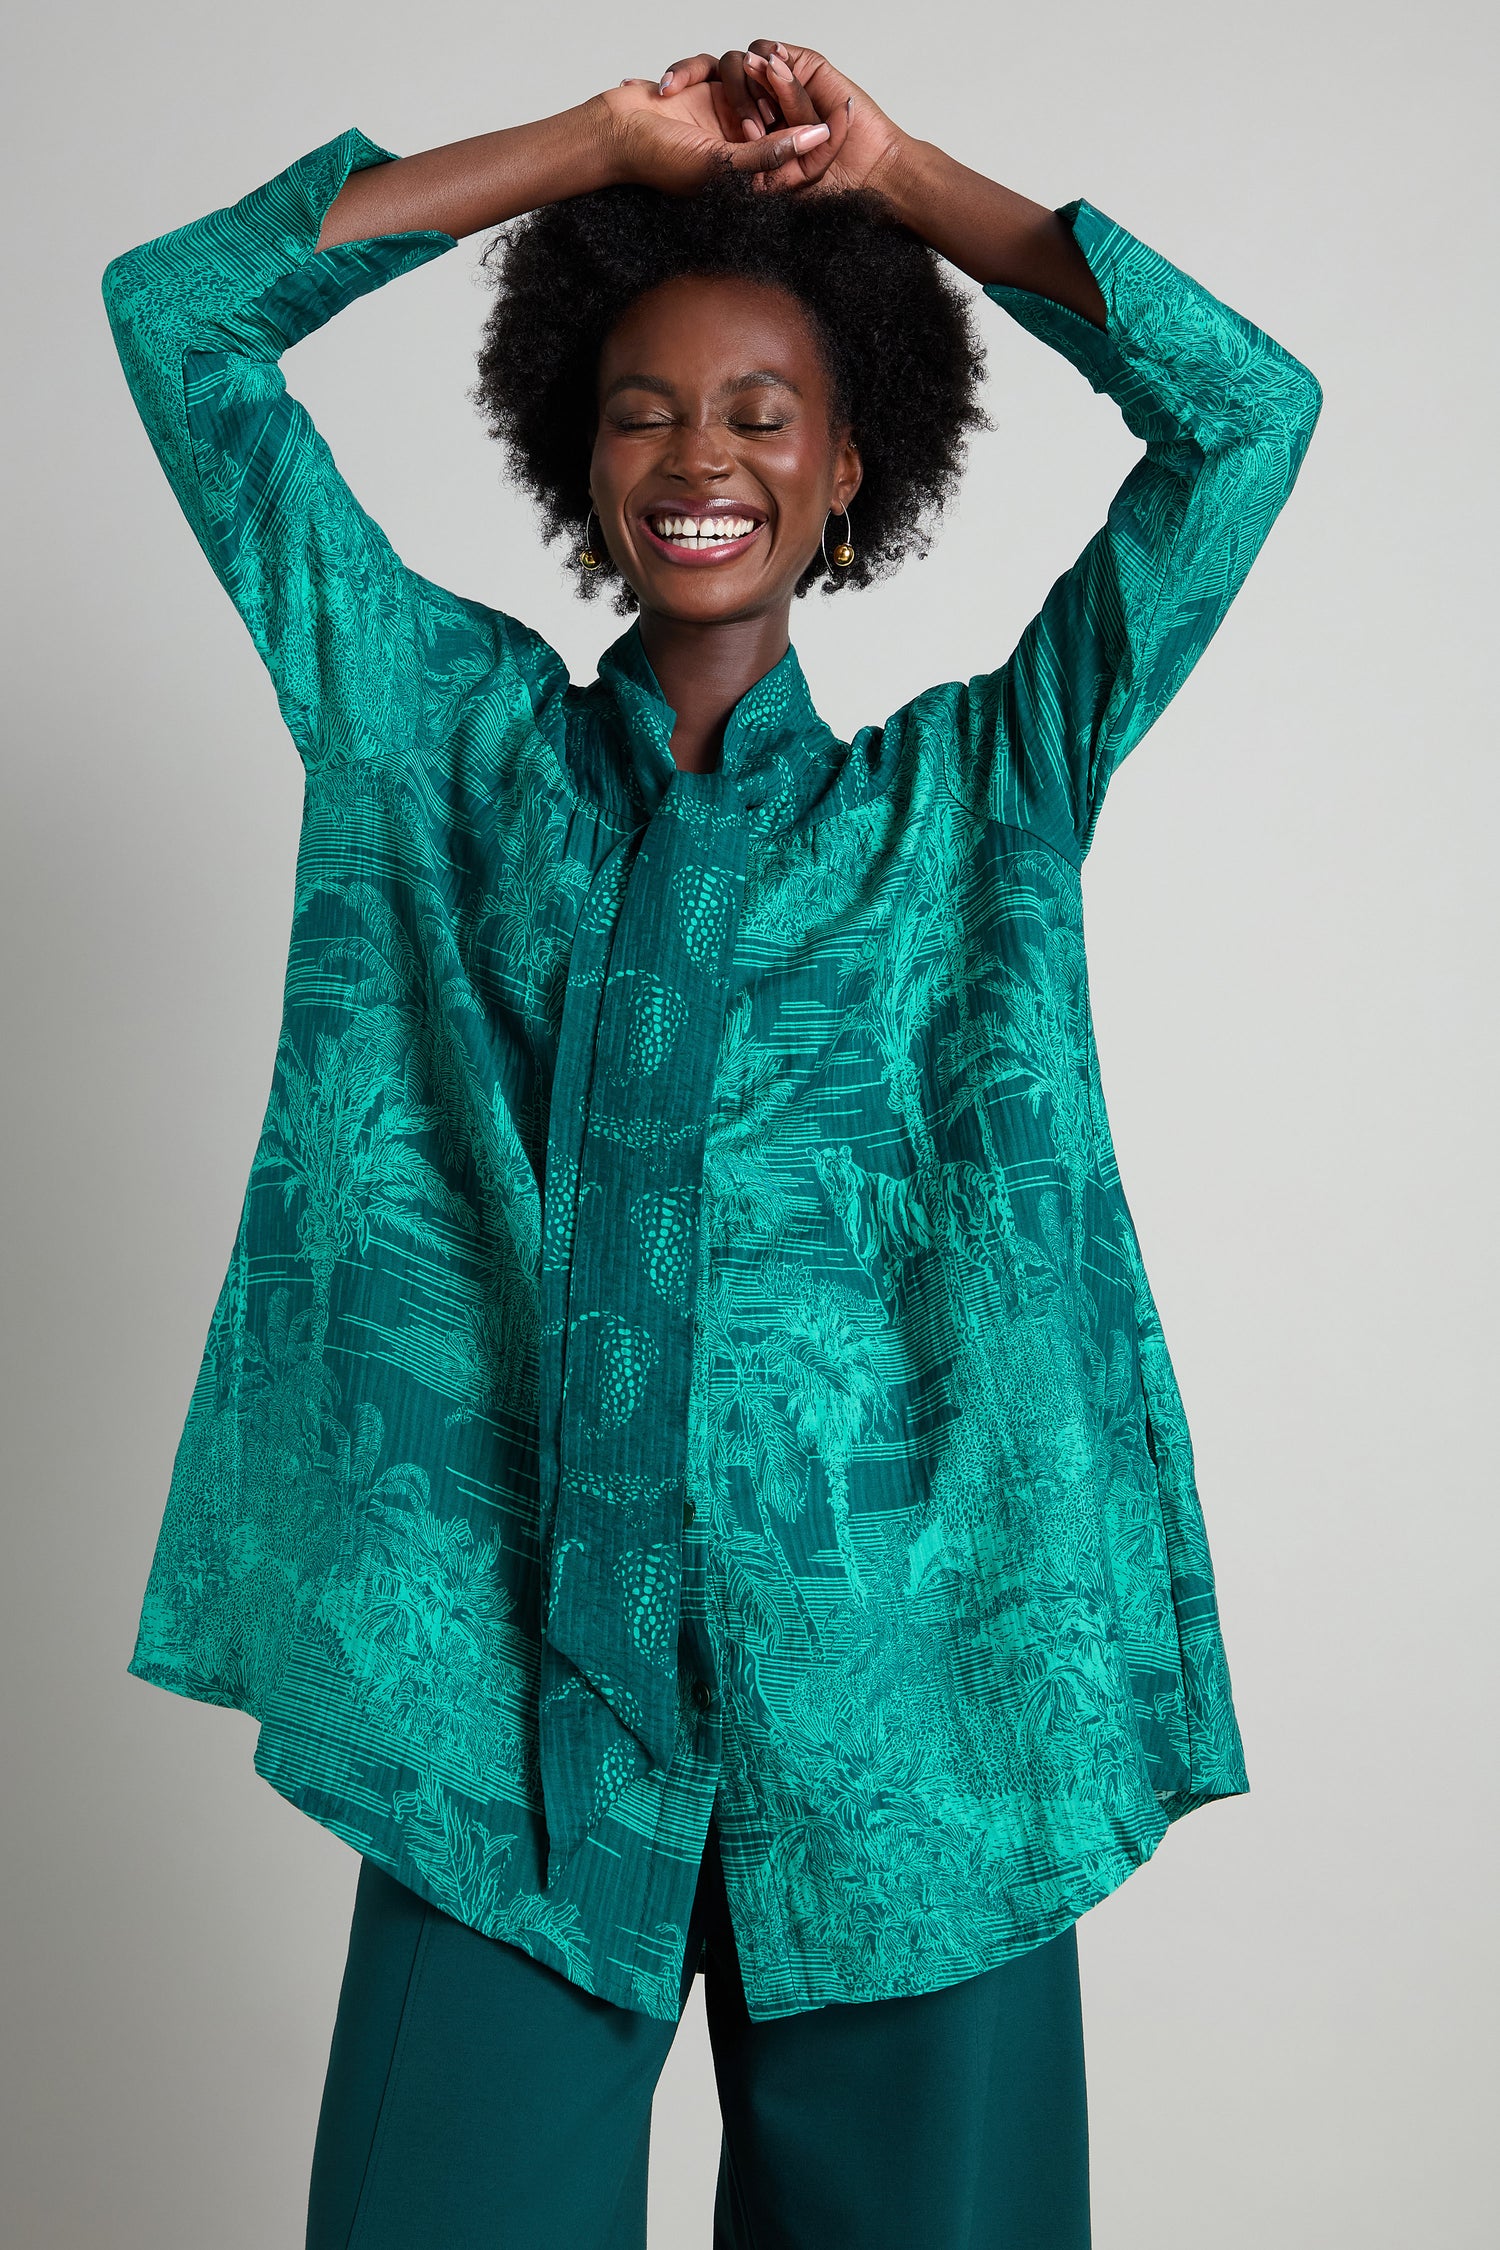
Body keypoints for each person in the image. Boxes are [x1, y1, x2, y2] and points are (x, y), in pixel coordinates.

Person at [102, 37, 1322, 2250]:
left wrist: (908, 181)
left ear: (851, 471)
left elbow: (1251, 416)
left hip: (916, 1715)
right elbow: (174, 319)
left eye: (766, 412)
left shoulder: (984, 792)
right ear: (579, 456)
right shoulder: (425, 732)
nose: (702, 456)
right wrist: (589, 151)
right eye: (645, 405)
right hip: (494, 1721)